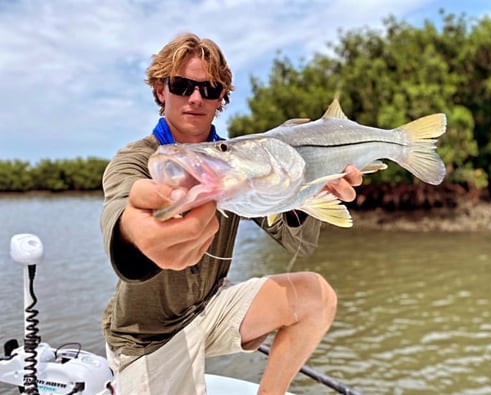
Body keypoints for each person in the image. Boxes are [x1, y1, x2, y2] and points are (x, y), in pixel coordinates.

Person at [100, 32, 363, 395]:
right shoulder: (133, 160)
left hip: (209, 310)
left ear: (222, 98)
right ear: (161, 90)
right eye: (181, 85)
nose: (195, 98)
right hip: (149, 336)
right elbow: (122, 207)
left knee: (316, 297)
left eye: (209, 90)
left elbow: (296, 243)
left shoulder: (240, 160)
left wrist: (310, 190)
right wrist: (136, 235)